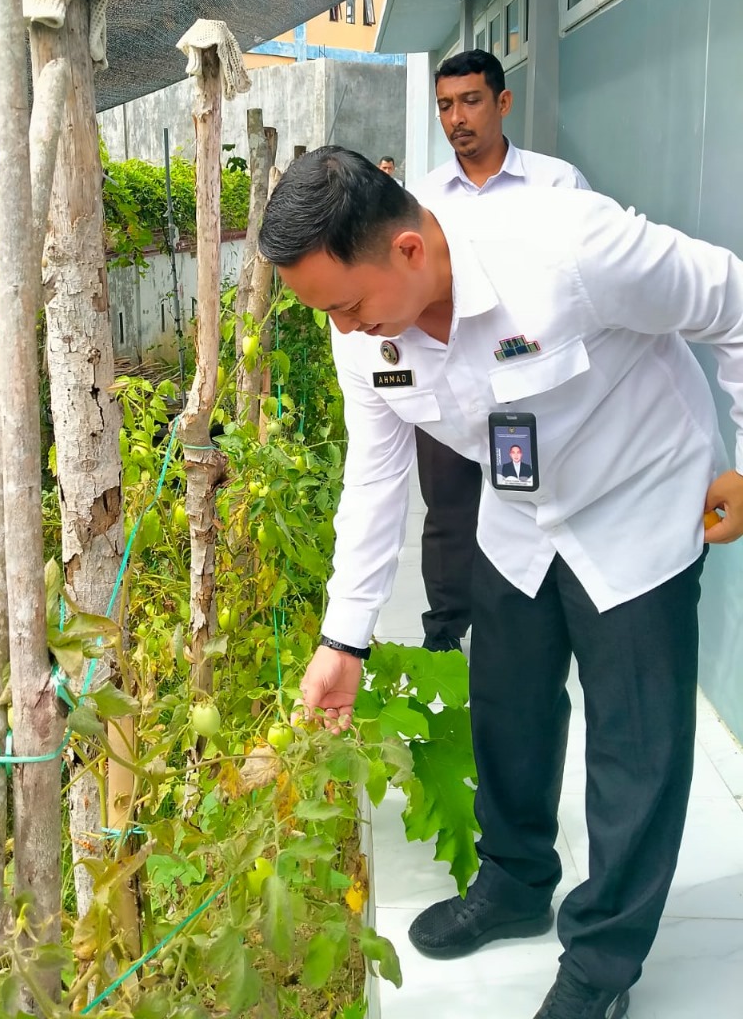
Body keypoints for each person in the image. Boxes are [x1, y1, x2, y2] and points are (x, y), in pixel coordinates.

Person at [257, 147, 743, 1019]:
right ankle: (516, 884)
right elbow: (374, 480)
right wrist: (344, 638)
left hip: (640, 502)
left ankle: (600, 964)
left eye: (348, 305)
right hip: (519, 521)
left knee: (637, 749)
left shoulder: (565, 245)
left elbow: (733, 300)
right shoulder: (368, 341)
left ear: (409, 249)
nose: (343, 330)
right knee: (508, 712)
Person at [414, 49, 589, 652]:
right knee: (448, 513)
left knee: (530, 501)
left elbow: (581, 282)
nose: (456, 117)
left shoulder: (555, 183)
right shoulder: (424, 199)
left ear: (502, 102)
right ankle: (443, 636)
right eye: (445, 105)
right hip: (447, 383)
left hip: (530, 385)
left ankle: (524, 629)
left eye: (470, 100)